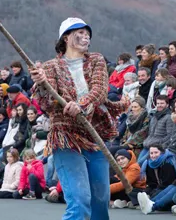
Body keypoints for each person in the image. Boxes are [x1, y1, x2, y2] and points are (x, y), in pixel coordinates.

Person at [31, 17, 128, 220]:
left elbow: (100, 90)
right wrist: (41, 84)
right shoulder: (50, 67)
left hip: (95, 137)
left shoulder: (97, 60)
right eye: (80, 33)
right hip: (66, 138)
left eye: (87, 34)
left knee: (100, 200)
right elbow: (47, 104)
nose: (85, 37)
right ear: (66, 38)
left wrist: (81, 104)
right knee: (80, 199)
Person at [137, 146, 176, 215]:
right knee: (172, 187)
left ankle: (153, 206)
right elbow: (175, 182)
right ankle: (150, 202)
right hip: (169, 189)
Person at [139, 95, 174, 165]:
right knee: (137, 163)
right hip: (147, 145)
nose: (159, 105)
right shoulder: (154, 116)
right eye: (158, 103)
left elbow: (170, 135)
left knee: (139, 164)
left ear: (167, 105)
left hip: (157, 148)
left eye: (162, 103)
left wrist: (159, 145)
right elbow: (150, 132)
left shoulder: (169, 117)